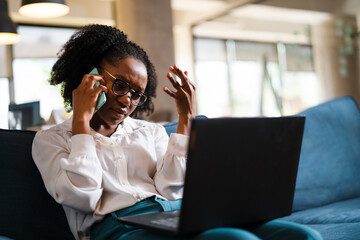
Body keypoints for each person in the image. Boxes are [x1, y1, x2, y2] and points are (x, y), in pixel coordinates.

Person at [32, 24, 322, 240]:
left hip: (175, 214)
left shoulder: (150, 133)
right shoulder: (51, 140)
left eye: (137, 95)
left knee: (301, 236)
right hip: (117, 229)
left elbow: (171, 189)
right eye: (119, 85)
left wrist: (186, 117)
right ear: (89, 75)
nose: (127, 101)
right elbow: (82, 198)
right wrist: (82, 121)